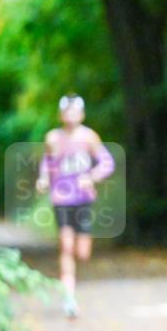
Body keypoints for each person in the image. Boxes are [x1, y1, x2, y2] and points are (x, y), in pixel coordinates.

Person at [36, 94, 115, 318]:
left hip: (83, 199)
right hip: (61, 199)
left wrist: (91, 176)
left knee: (82, 252)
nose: (70, 116)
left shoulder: (89, 137)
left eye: (74, 111)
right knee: (66, 247)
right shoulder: (52, 138)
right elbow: (47, 163)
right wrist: (43, 179)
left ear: (81, 114)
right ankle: (69, 297)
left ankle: (71, 287)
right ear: (61, 115)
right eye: (66, 111)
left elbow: (107, 162)